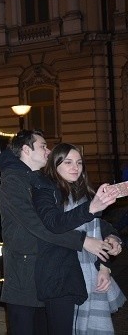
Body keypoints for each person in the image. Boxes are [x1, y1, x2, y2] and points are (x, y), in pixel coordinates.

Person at [0, 129, 118, 335]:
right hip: (26, 271)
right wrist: (83, 241)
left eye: (79, 163)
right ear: (26, 150)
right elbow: (39, 225)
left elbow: (74, 216)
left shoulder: (42, 180)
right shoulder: (14, 181)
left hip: (49, 271)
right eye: (43, 146)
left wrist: (111, 235)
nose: (48, 150)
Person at [33, 143, 125, 334]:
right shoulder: (44, 190)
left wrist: (112, 242)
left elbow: (100, 227)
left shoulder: (83, 194)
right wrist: (92, 208)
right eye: (68, 162)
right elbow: (54, 223)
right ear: (54, 164)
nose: (75, 167)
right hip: (60, 277)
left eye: (79, 163)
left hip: (89, 274)